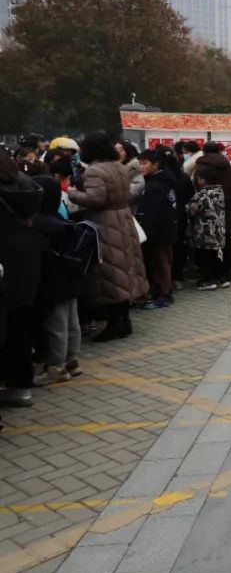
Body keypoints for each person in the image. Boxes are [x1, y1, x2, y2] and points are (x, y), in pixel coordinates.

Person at [66, 132, 149, 343]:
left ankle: (115, 324)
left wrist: (72, 193)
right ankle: (124, 320)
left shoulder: (94, 171)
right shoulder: (120, 167)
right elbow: (129, 194)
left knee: (109, 273)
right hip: (123, 219)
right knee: (124, 269)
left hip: (105, 223)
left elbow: (96, 198)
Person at [0, 149, 45, 407]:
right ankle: (22, 386)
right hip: (26, 259)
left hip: (5, 262)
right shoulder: (23, 183)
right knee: (20, 326)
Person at [30, 175, 84, 385]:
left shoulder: (39, 223)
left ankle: (56, 367)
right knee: (72, 322)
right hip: (70, 279)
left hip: (53, 283)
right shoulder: (61, 219)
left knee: (56, 325)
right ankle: (72, 361)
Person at [135, 149, 178, 309]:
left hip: (158, 234)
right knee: (163, 264)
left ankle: (163, 296)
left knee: (160, 265)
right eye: (140, 163)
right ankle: (162, 292)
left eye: (145, 163)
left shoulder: (156, 186)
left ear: (156, 165)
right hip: (165, 231)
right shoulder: (164, 181)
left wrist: (147, 234)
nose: (141, 167)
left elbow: (152, 214)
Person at [196, 142, 231, 283]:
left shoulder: (200, 167)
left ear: (204, 152)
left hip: (207, 209)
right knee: (226, 241)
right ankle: (227, 273)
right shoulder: (229, 168)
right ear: (219, 151)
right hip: (227, 208)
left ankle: (212, 274)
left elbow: (195, 187)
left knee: (209, 243)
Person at [159, 149, 195, 291]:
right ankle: (177, 278)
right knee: (179, 249)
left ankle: (165, 281)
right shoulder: (184, 177)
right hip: (180, 218)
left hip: (163, 219)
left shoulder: (159, 178)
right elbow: (191, 196)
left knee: (163, 252)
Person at [187, 168, 227, 290]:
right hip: (218, 229)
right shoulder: (219, 192)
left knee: (205, 256)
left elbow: (192, 209)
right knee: (216, 255)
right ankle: (220, 278)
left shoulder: (202, 194)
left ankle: (208, 280)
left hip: (204, 231)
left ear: (203, 180)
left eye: (198, 178)